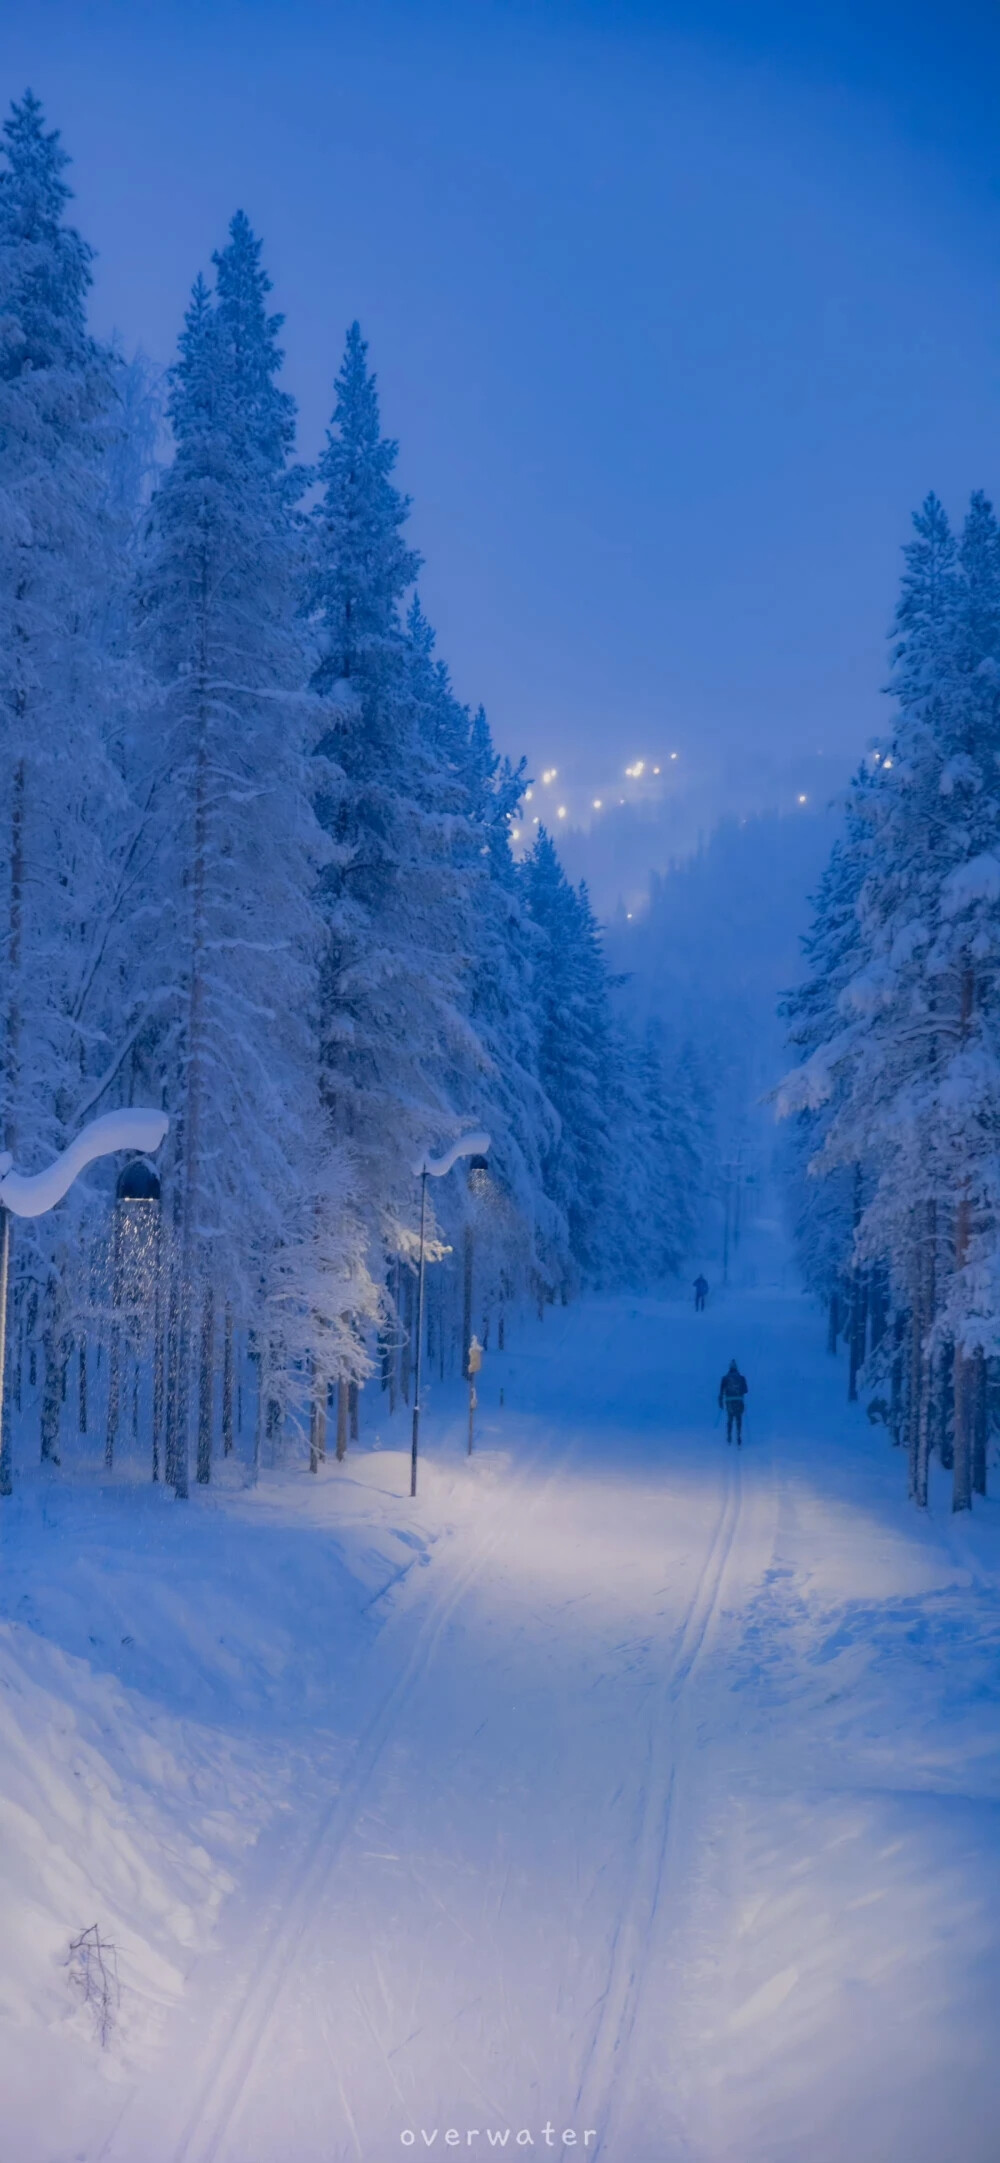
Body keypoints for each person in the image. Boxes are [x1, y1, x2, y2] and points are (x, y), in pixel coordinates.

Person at [718, 1358, 748, 1444]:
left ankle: (729, 1436)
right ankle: (738, 1436)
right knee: (739, 1418)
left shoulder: (725, 1378)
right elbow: (746, 1390)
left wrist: (720, 1403)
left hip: (729, 1402)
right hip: (739, 1401)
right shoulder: (742, 1378)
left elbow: (721, 1392)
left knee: (730, 1418)